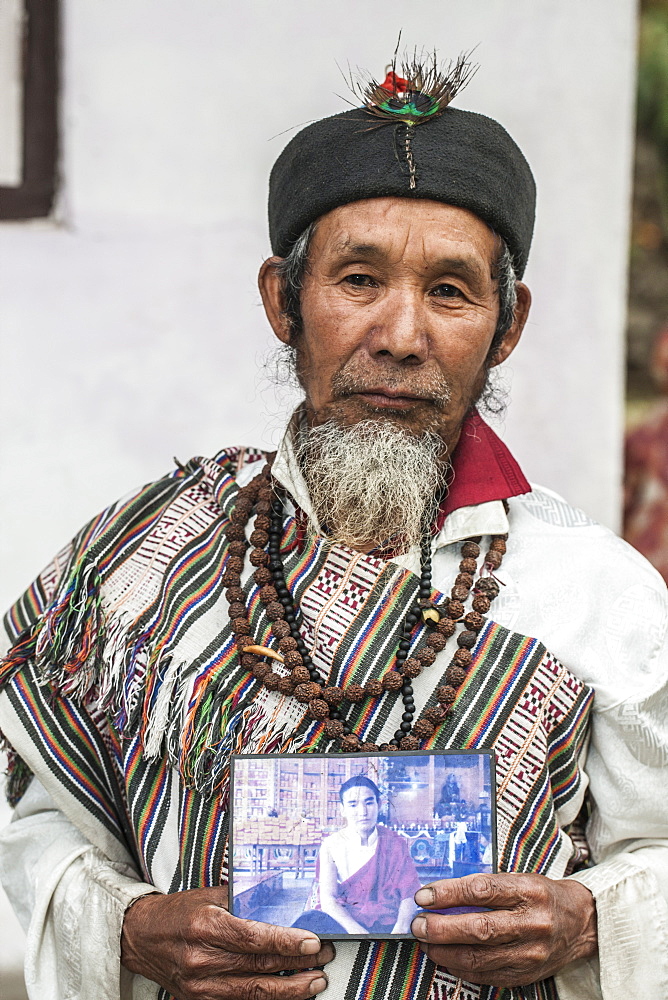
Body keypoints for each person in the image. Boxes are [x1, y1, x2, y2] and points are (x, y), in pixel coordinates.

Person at [0, 50, 666, 1000]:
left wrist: (594, 918)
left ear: (507, 325)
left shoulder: (597, 595)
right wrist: (127, 925)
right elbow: (37, 812)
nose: (400, 335)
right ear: (283, 301)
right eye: (358, 280)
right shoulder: (150, 553)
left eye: (449, 291)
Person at [294, 775, 421, 935]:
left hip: (389, 923)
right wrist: (358, 933)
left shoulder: (395, 843)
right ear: (342, 809)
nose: (363, 812)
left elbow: (409, 894)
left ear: (378, 804)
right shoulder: (331, 845)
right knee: (308, 920)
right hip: (346, 924)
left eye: (369, 803)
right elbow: (328, 899)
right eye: (353, 805)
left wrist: (400, 930)